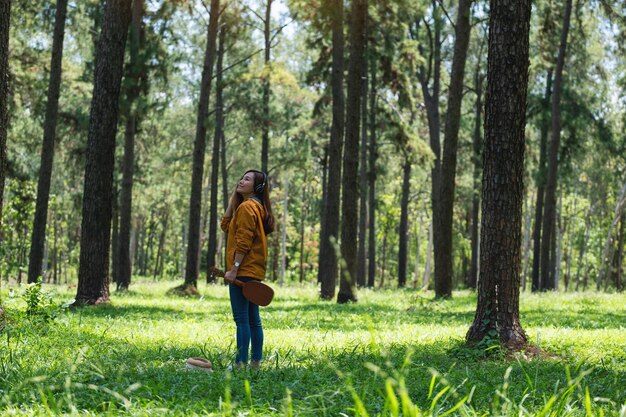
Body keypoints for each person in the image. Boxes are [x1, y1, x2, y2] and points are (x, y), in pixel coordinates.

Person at [220, 169, 275, 370]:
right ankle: (255, 363)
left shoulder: (247, 208)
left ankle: (240, 364)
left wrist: (234, 269)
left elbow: (243, 241)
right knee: (253, 320)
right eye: (242, 177)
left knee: (242, 319)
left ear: (257, 187)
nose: (241, 181)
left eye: (247, 179)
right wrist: (233, 200)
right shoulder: (256, 207)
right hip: (253, 270)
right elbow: (226, 225)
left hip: (242, 269)